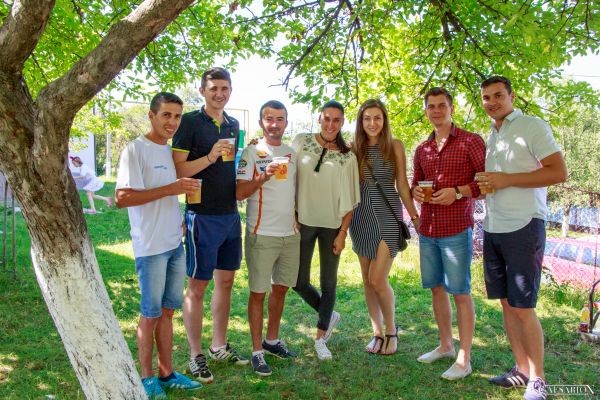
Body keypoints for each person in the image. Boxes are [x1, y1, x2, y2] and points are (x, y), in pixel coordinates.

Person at [478, 76, 567, 400]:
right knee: (506, 303)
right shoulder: (493, 135)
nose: (492, 102)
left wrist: (506, 180)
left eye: (498, 95)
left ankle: (538, 380)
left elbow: (558, 172)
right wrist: (490, 186)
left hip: (524, 226)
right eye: (486, 98)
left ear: (512, 96)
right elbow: (499, 181)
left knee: (523, 306)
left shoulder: (532, 126)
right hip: (493, 226)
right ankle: (521, 370)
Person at [115, 92, 202, 399]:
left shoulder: (171, 151)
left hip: (174, 243)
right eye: (166, 115)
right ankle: (146, 378)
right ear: (151, 115)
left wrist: (178, 217)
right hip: (150, 246)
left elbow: (170, 193)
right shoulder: (135, 149)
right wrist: (171, 188)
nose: (172, 122)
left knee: (167, 312)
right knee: (150, 314)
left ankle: (167, 374)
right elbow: (122, 197)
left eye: (177, 116)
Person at [172, 67, 247, 384]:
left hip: (230, 214)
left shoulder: (233, 124)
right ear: (202, 90)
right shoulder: (189, 122)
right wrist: (210, 156)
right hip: (201, 215)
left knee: (226, 282)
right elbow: (178, 171)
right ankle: (195, 355)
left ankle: (218, 346)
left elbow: (232, 166)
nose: (220, 93)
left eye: (225, 88)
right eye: (214, 88)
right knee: (198, 286)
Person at [411, 87, 485, 380]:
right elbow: (416, 183)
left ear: (451, 108)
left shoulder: (470, 141)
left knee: (461, 293)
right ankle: (445, 345)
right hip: (428, 228)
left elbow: (485, 183)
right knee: (436, 288)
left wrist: (458, 192)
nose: (436, 111)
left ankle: (464, 359)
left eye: (442, 105)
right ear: (426, 111)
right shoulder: (422, 149)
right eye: (431, 106)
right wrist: (416, 192)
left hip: (456, 228)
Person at [349, 99, 420, 356]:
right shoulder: (353, 148)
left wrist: (415, 216)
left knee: (378, 279)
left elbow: (402, 184)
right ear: (361, 121)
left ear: (384, 120)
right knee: (367, 280)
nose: (372, 123)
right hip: (361, 217)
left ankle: (392, 331)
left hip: (388, 214)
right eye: (367, 118)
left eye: (377, 118)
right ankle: (377, 333)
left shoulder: (395, 146)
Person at [292, 100, 360, 360]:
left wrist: (343, 233)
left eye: (336, 120)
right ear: (319, 118)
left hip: (332, 225)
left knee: (328, 283)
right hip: (304, 221)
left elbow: (351, 199)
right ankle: (329, 314)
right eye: (326, 118)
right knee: (298, 281)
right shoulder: (302, 141)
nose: (330, 124)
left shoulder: (347, 156)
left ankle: (321, 338)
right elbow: (285, 171)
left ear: (342, 122)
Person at [236, 100, 299, 376]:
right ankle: (256, 352)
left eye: (280, 119)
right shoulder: (251, 152)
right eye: (269, 119)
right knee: (258, 293)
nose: (274, 124)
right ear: (262, 122)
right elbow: (239, 192)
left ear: (286, 122)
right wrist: (262, 177)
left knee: (281, 288)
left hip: (290, 235)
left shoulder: (291, 153)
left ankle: (271, 341)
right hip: (261, 234)